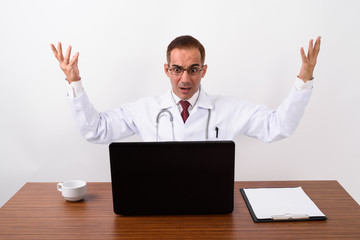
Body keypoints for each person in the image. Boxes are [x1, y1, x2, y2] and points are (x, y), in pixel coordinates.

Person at [50, 35, 321, 143]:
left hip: (211, 205)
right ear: (167, 70)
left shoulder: (228, 109)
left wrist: (303, 79)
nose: (185, 78)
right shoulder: (144, 109)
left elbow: (278, 126)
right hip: (158, 202)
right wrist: (74, 81)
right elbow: (95, 130)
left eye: (193, 69)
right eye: (177, 69)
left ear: (203, 71)